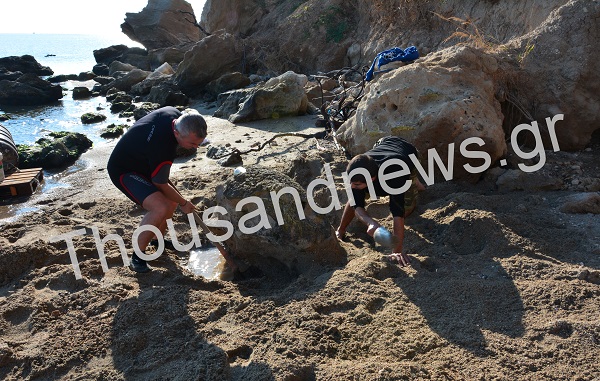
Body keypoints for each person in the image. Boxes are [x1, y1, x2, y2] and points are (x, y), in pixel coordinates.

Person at [107, 106, 207, 273]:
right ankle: (137, 257)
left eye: (199, 143)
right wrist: (183, 202)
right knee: (160, 206)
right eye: (192, 143)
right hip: (125, 170)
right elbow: (160, 183)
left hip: (145, 163)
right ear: (176, 133)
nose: (195, 147)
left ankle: (156, 241)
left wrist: (179, 202)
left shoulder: (177, 116)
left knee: (171, 203)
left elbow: (161, 180)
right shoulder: (163, 146)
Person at [336, 136, 425, 267]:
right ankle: (341, 229)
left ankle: (413, 181)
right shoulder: (360, 168)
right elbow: (356, 205)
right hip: (384, 142)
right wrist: (369, 223)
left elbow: (398, 214)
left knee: (407, 209)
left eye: (356, 184)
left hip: (409, 155)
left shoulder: (395, 176)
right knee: (356, 196)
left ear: (371, 179)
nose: (351, 186)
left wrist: (397, 251)